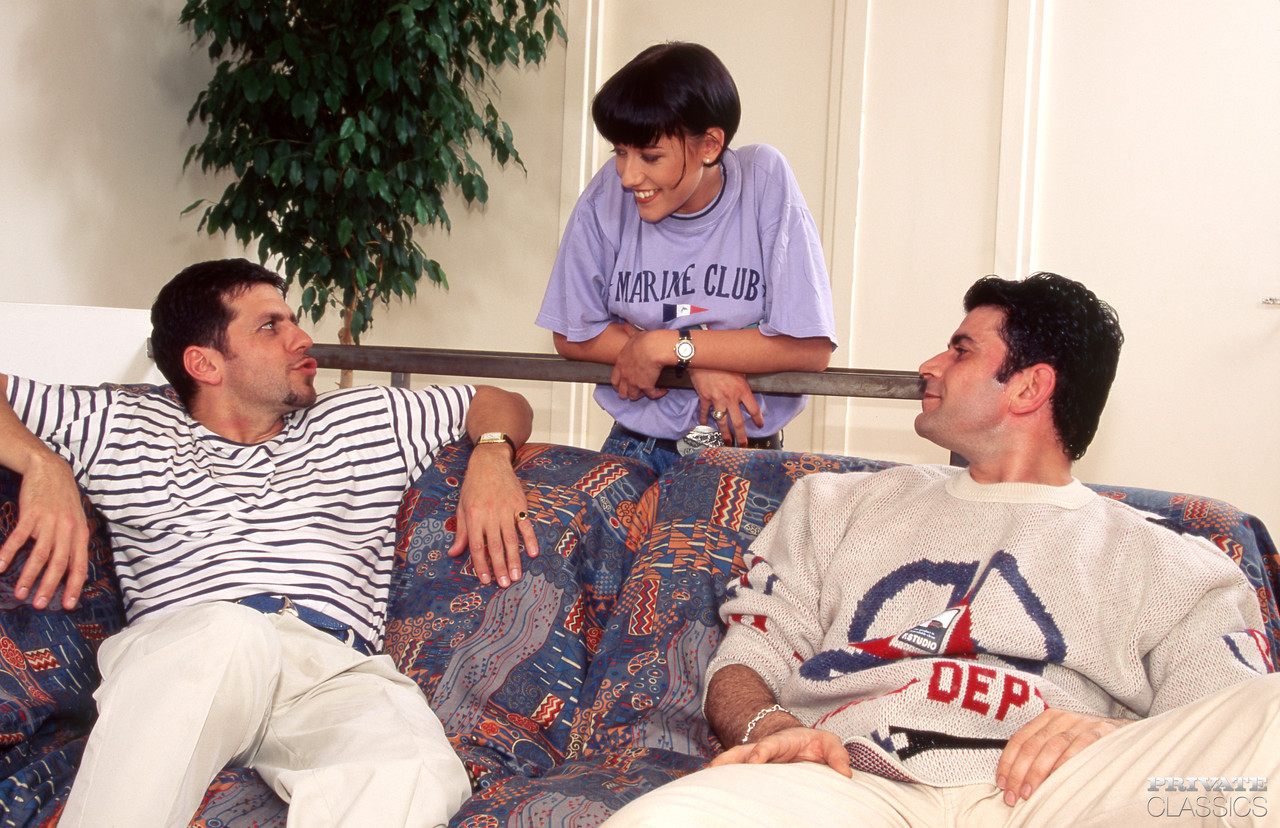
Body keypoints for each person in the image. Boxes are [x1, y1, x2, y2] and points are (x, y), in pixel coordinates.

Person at [603, 273, 1279, 827]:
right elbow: (746, 660)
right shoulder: (833, 506)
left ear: (1029, 388)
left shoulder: (1174, 562)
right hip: (850, 782)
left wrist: (1115, 738)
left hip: (1062, 793)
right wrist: (771, 727)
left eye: (960, 350)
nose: (928, 366)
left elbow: (1229, 733)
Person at [0, 259, 541, 827]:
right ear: (204, 364)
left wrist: (493, 452)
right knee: (230, 632)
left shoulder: (365, 419)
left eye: (293, 320)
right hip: (192, 653)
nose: (302, 338)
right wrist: (41, 463)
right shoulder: (118, 424)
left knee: (417, 771)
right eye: (269, 326)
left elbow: (498, 399)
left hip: (331, 667)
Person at [536, 42, 839, 475]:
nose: (628, 176)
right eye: (619, 151)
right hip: (634, 447)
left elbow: (809, 347)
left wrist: (667, 346)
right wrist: (694, 362)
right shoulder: (608, 192)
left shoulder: (764, 178)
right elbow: (572, 334)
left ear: (710, 145)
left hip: (743, 453)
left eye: (650, 156)